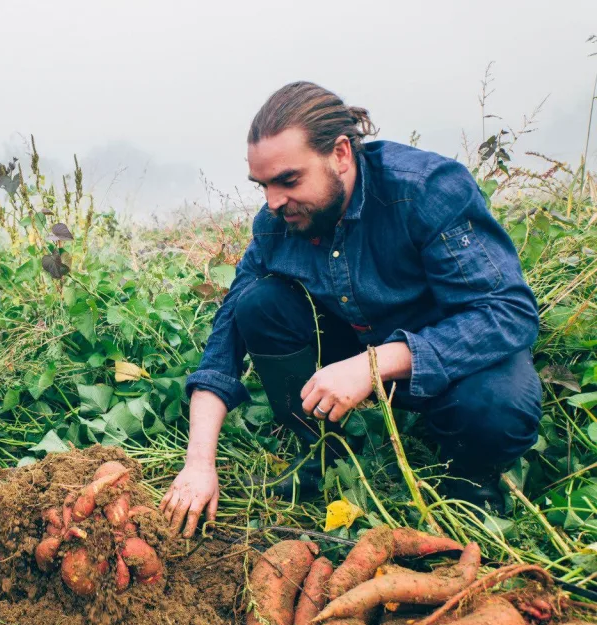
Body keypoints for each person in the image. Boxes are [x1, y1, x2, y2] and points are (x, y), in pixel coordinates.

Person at [160, 81, 542, 538]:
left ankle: (468, 486)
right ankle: (324, 462)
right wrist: (198, 464)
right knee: (257, 303)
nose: (273, 202)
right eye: (263, 185)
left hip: (447, 359)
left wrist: (374, 365)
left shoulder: (424, 190)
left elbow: (508, 311)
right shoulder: (276, 224)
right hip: (354, 349)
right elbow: (223, 344)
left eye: (288, 180)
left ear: (340, 154)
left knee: (498, 408)